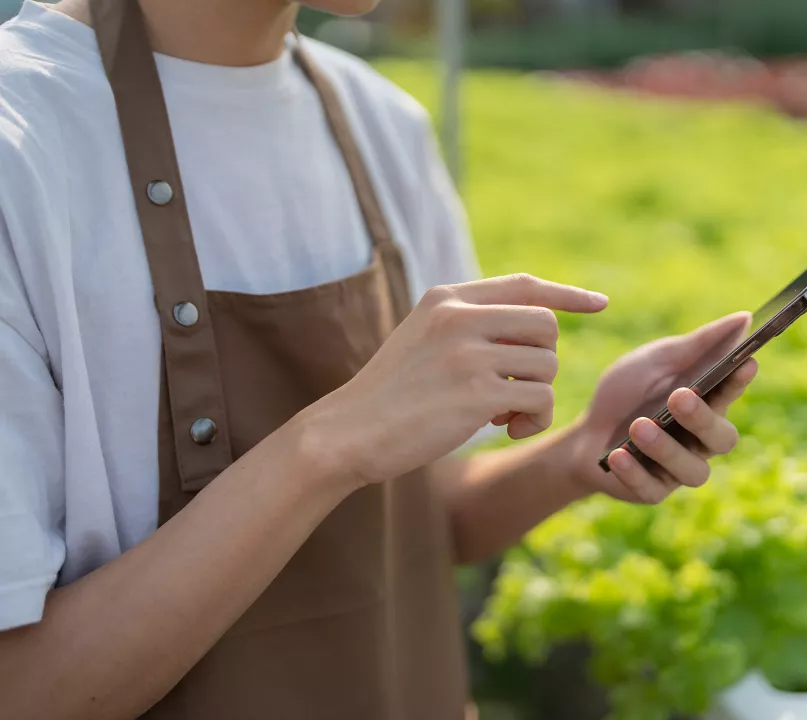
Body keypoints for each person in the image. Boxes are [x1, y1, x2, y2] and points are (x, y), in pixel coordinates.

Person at [0, 0, 758, 717]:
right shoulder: (23, 146)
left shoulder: (379, 123)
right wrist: (326, 446)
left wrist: (579, 454)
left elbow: (424, 521)